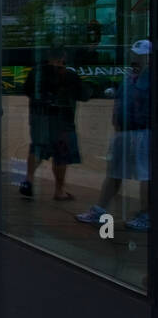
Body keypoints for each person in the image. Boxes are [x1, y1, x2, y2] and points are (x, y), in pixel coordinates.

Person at [78, 39, 150, 231]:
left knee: (146, 174)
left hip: (142, 132)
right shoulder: (128, 78)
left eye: (140, 55)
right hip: (124, 133)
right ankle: (100, 210)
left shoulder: (150, 78)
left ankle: (146, 215)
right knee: (114, 172)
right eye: (134, 55)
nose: (136, 58)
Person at [20, 48, 88, 201]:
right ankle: (59, 190)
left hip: (39, 118)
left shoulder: (36, 72)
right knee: (61, 154)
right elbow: (84, 94)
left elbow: (26, 90)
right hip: (62, 121)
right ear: (62, 57)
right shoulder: (68, 74)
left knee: (37, 148)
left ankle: (29, 179)